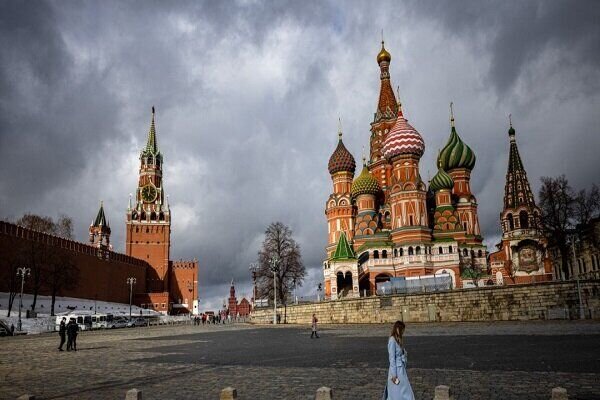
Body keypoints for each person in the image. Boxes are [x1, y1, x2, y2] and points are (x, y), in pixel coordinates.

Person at [382, 321, 414, 400]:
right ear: (398, 329)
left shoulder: (397, 340)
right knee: (400, 392)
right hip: (396, 371)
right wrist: (394, 375)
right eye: (402, 330)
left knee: (404, 390)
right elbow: (392, 359)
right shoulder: (392, 340)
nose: (403, 332)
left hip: (401, 369)